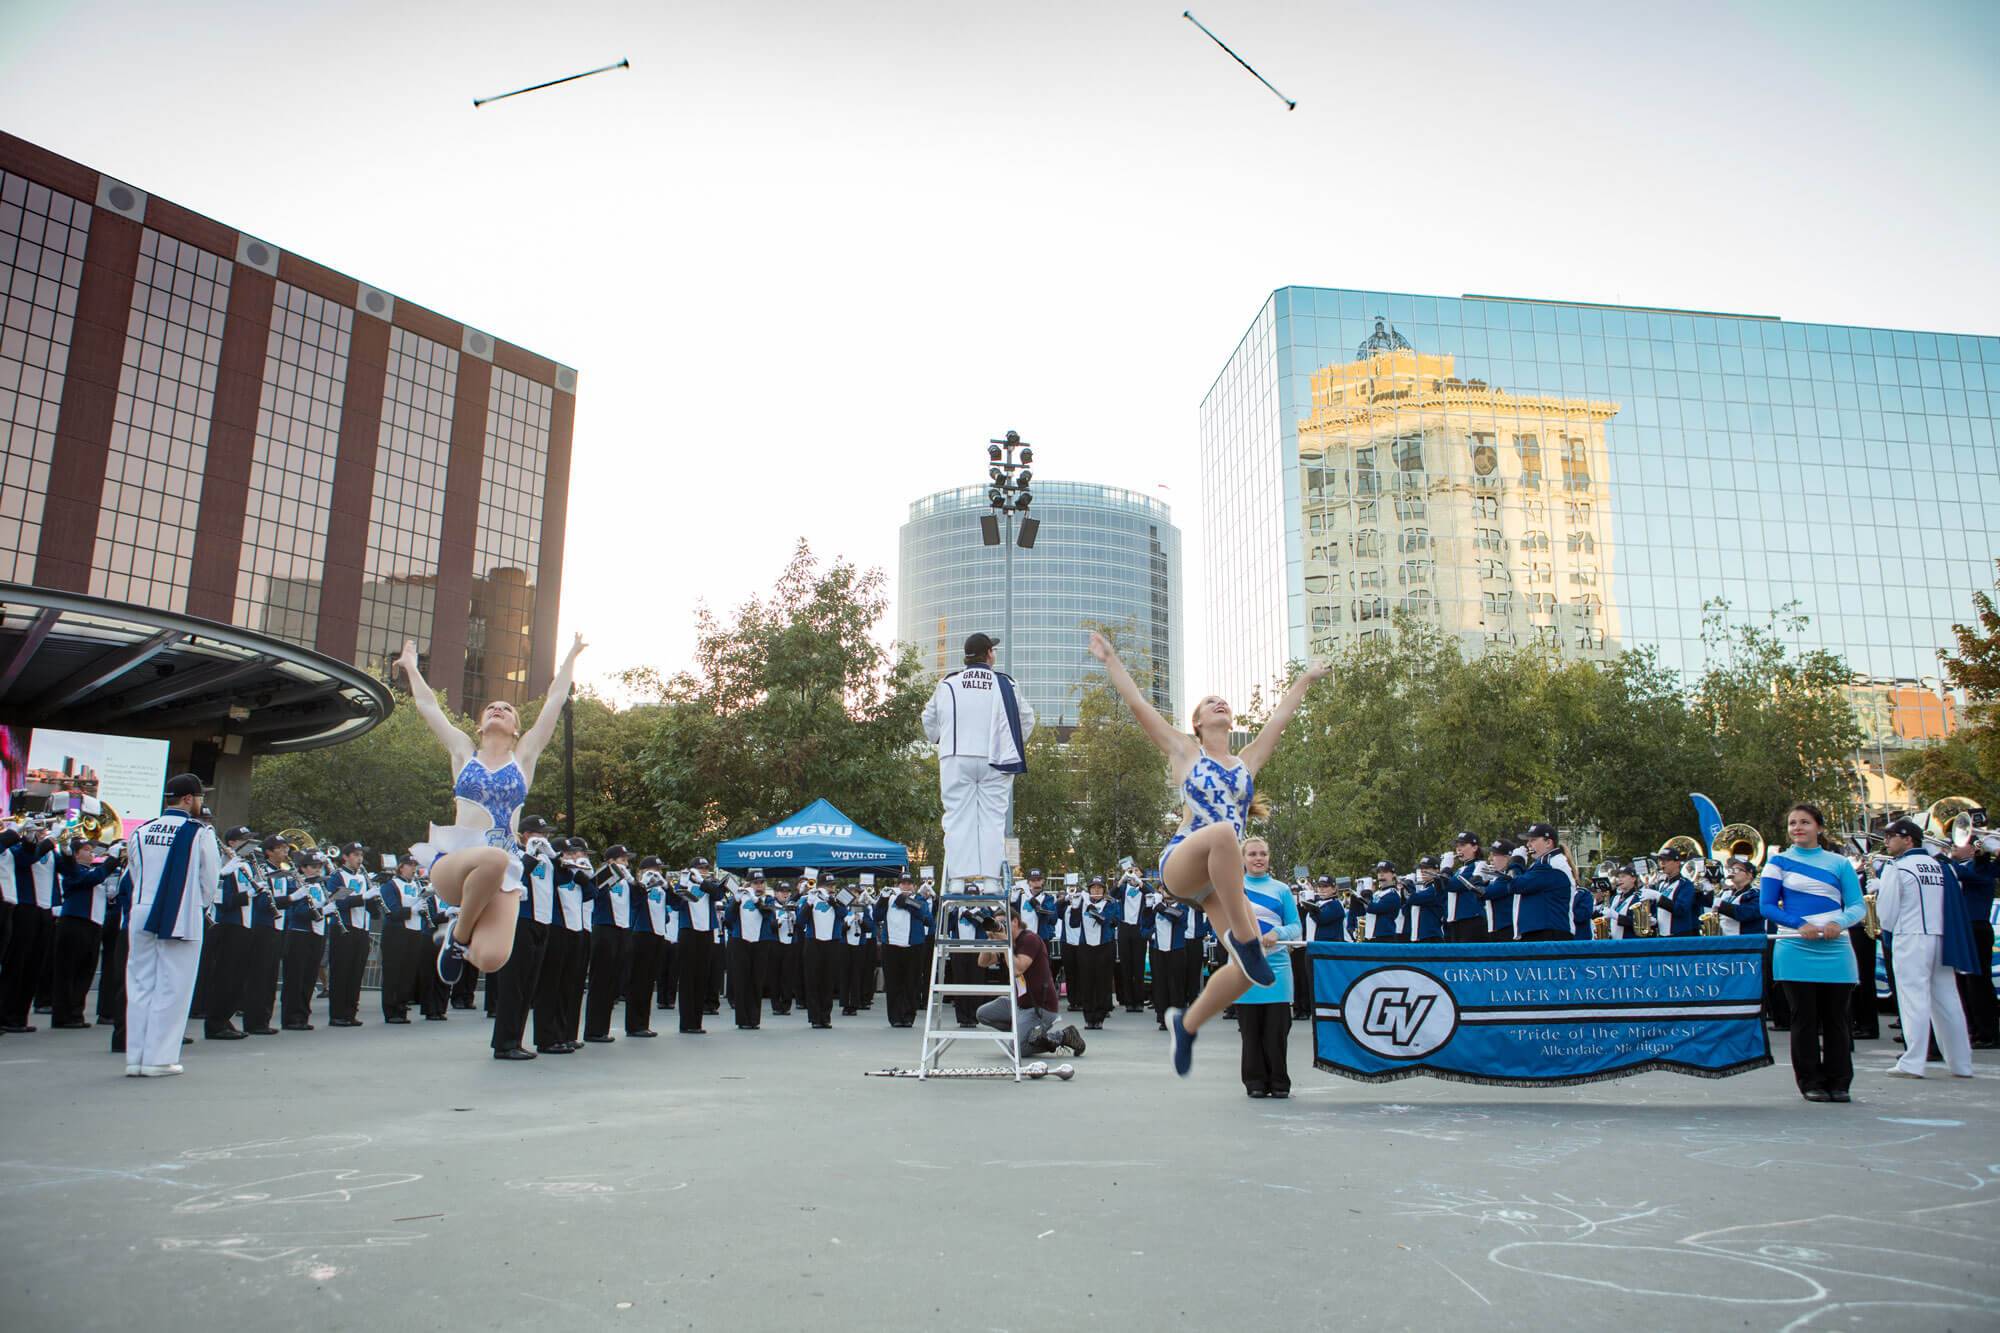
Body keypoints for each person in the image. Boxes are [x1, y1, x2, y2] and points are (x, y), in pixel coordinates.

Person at [1089, 631, 1328, 1077]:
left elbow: (1279, 719)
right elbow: (1139, 704)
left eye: (1224, 702)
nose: (1220, 704)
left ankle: (1189, 1023)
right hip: (1182, 862)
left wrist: (1307, 679)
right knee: (1222, 833)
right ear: (1196, 721)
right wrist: (1110, 659)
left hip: (1217, 883)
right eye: (1210, 702)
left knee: (1248, 972)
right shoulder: (1184, 751)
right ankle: (1246, 938)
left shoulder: (1246, 762)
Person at [395, 633, 584, 989]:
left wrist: (571, 656)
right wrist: (410, 668)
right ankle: (460, 932)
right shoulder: (463, 752)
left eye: (507, 708)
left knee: (492, 959)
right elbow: (429, 708)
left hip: (501, 870)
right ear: (480, 725)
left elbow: (555, 700)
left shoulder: (524, 757)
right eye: (491, 707)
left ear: (516, 729)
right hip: (456, 863)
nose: (499, 708)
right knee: (493, 859)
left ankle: (460, 938)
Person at [1760, 803, 1867, 1104]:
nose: (1797, 828)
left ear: (1819, 827)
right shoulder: (1777, 863)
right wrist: (1799, 923)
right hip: (1795, 947)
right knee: (1803, 1019)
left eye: (1804, 822)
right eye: (1793, 823)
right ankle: (1810, 1081)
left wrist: (1839, 923)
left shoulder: (1840, 863)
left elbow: (1857, 906)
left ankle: (1840, 1081)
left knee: (1837, 1019)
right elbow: (1766, 906)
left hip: (1836, 948)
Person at [123, 774, 221, 1076]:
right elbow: (209, 880)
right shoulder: (199, 832)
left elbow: (134, 874)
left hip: (142, 909)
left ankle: (135, 1057)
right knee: (173, 985)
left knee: (140, 984)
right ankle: (159, 1058)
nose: (202, 803)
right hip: (181, 912)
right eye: (201, 797)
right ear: (189, 799)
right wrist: (199, 906)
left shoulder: (141, 830)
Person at [921, 633, 1035, 887]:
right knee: (993, 819)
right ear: (989, 654)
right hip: (996, 755)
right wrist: (1012, 743)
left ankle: (958, 880)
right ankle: (992, 881)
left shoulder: (948, 683)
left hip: (956, 755)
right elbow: (1027, 720)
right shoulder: (1005, 684)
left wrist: (943, 738)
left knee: (957, 818)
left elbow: (928, 719)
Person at [1875, 818, 1976, 1080]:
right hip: (1941, 936)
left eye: (1891, 836)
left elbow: (1886, 915)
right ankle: (1961, 1062)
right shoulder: (1940, 866)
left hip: (1910, 937)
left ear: (1908, 839)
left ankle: (1912, 1062)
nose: (1886, 841)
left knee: (1913, 1000)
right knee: (1948, 1001)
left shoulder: (1897, 868)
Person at [1237, 837, 1301, 1098]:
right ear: (1243, 858)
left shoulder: (1281, 889)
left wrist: (1278, 932)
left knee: (1276, 1031)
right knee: (1250, 1032)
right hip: (1244, 968)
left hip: (1277, 967)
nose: (1258, 858)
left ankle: (1279, 1083)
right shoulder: (1232, 888)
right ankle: (1255, 1083)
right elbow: (1220, 924)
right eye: (1252, 854)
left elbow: (1296, 926)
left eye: (1262, 853)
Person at [975, 910, 1083, 1060]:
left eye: (1003, 923)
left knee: (1016, 1049)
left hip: (1040, 1006)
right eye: (997, 923)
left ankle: (1061, 1036)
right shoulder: (1007, 942)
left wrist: (1005, 941)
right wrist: (990, 940)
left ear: (1015, 922)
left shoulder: (1029, 939)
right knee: (983, 1013)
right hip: (1020, 1004)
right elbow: (983, 962)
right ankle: (1027, 1033)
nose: (999, 927)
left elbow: (1018, 969)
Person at [0, 816, 58, 1032]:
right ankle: (6, 1014)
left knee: (33, 965)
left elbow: (27, 855)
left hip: (31, 907)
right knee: (16, 964)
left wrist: (32, 839)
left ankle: (17, 1017)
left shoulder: (13, 846)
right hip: (23, 907)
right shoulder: (8, 844)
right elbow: (24, 861)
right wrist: (18, 834)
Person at [202, 827, 256, 1040]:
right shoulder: (224, 865)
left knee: (237, 978)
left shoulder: (246, 866)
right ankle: (215, 1023)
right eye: (245, 841)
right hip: (228, 926)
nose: (250, 845)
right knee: (225, 977)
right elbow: (220, 900)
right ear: (232, 843)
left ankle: (225, 1018)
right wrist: (248, 894)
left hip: (245, 926)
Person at [1484, 825, 1576, 942]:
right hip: (1543, 931)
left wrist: (1517, 861)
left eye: (1533, 840)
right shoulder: (1542, 863)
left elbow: (1515, 885)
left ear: (1548, 842)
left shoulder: (1549, 864)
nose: (1528, 845)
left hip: (1549, 932)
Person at [325, 842, 379, 1027]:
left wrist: (375, 899)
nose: (360, 859)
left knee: (356, 973)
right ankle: (337, 1014)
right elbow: (337, 902)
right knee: (341, 972)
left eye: (361, 855)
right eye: (356, 855)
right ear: (345, 857)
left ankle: (350, 1012)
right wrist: (363, 897)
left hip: (362, 928)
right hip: (344, 928)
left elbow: (372, 909)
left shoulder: (364, 877)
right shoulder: (337, 876)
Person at [582, 844, 632, 1044]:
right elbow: (596, 894)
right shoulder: (602, 874)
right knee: (600, 980)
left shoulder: (627, 879)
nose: (626, 864)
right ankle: (593, 1030)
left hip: (621, 928)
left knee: (612, 980)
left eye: (627, 860)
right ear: (610, 861)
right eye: (622, 860)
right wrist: (613, 876)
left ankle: (602, 1028)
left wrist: (632, 880)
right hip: (605, 927)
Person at [671, 858, 720, 1034]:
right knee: (687, 977)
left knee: (701, 976)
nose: (704, 870)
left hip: (706, 931)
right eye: (700, 868)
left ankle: (697, 1022)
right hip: (688, 931)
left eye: (705, 868)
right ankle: (686, 1022)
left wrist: (701, 881)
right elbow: (675, 904)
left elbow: (718, 894)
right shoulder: (682, 882)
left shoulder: (709, 882)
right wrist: (684, 882)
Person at [622, 855, 668, 1041]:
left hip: (657, 934)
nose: (658, 873)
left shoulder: (661, 888)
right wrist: (644, 883)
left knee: (649, 980)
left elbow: (676, 903)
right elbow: (634, 903)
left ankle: (643, 1023)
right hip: (641, 933)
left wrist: (665, 884)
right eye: (655, 870)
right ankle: (634, 1025)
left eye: (659, 870)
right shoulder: (638, 886)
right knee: (638, 980)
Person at [878, 872, 931, 1028]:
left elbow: (924, 916)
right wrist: (882, 899)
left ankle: (908, 1016)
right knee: (893, 983)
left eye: (909, 883)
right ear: (898, 885)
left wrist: (907, 901)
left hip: (913, 946)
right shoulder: (890, 898)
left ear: (913, 886)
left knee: (911, 982)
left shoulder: (920, 899)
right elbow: (877, 916)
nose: (906, 886)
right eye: (903, 883)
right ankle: (894, 1017)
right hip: (891, 945)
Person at [799, 875, 842, 1029]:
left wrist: (834, 903)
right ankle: (815, 1017)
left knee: (828, 980)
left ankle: (826, 1016)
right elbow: (800, 920)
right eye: (828, 886)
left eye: (833, 886)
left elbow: (843, 914)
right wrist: (809, 903)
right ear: (821, 886)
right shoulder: (809, 898)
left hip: (832, 942)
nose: (831, 889)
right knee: (813, 980)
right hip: (813, 942)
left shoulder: (837, 899)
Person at [1643, 846, 1699, 938]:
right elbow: (1662, 911)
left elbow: (1681, 909)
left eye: (1666, 860)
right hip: (1662, 935)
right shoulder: (1662, 884)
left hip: (1679, 936)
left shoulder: (1685, 884)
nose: (1662, 863)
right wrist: (1654, 919)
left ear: (1677, 862)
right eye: (1660, 860)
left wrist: (1659, 897)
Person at [1443, 833, 1489, 943]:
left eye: (1463, 845)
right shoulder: (1461, 869)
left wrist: (1445, 869)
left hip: (1471, 920)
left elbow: (1453, 885)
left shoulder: (1478, 865)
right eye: (1457, 846)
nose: (1458, 849)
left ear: (1474, 847)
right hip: (1457, 921)